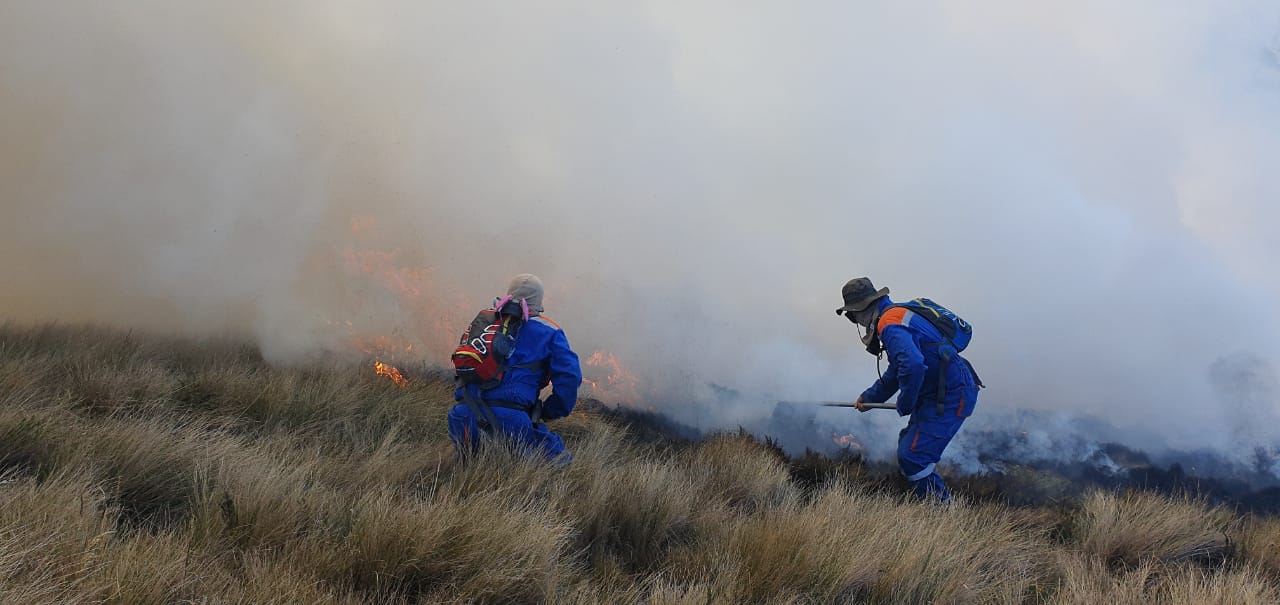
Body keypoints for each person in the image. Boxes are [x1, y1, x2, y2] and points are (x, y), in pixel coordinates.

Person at [836, 277, 980, 503]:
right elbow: (898, 369)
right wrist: (869, 397)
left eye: (852, 316)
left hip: (950, 394)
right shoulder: (898, 315)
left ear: (862, 310)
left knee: (913, 456)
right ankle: (923, 500)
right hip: (943, 391)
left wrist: (906, 402)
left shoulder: (889, 324)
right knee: (908, 444)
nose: (857, 322)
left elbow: (912, 365)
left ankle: (942, 514)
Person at [448, 274, 582, 461]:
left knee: (471, 463)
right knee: (561, 464)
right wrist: (550, 411)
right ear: (538, 302)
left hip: (462, 418)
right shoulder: (549, 332)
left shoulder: (484, 323)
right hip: (511, 422)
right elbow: (570, 376)